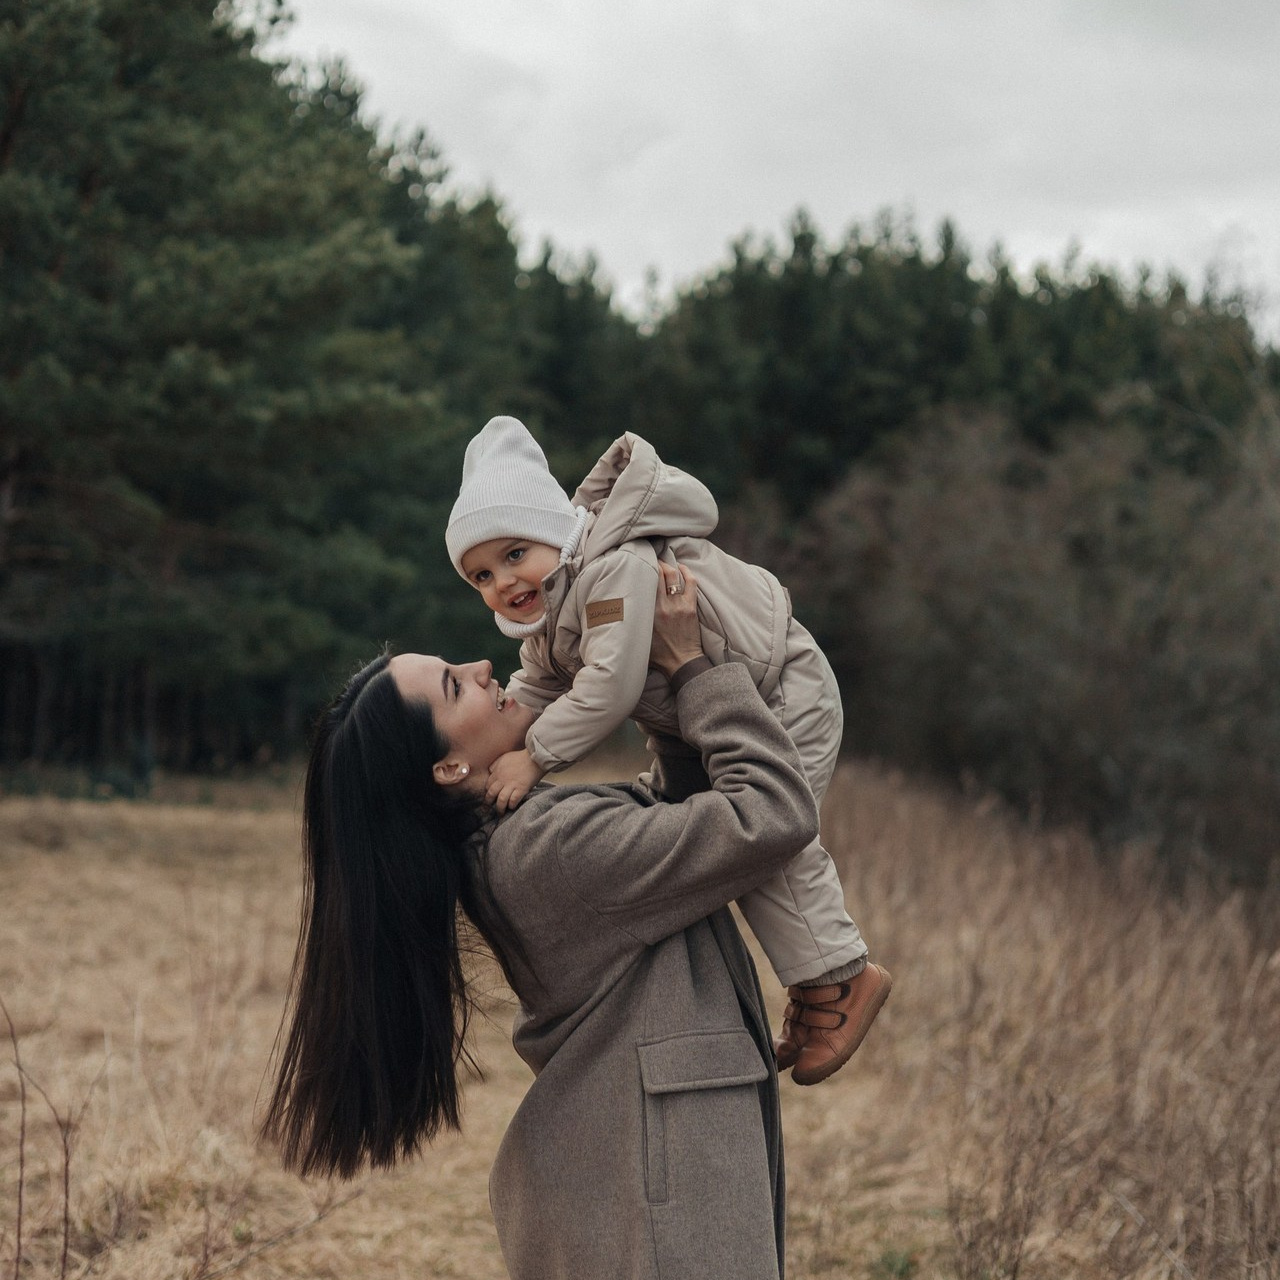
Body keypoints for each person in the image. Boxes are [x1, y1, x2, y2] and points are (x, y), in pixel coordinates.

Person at [261, 564, 824, 1278]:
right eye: (454, 685)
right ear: (445, 769)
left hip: (656, 1173)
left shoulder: (517, 835)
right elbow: (773, 813)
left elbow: (679, 824)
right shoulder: (546, 851)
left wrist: (647, 678)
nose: (482, 665)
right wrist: (690, 668)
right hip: (662, 1189)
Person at [445, 416, 891, 1083]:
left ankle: (838, 978)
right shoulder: (549, 613)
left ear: (556, 530)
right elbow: (534, 688)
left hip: (776, 688)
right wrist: (479, 763)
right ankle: (815, 981)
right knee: (712, 831)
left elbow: (611, 686)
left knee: (767, 835)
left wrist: (534, 756)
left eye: (515, 554)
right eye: (480, 575)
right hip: (704, 713)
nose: (502, 582)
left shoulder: (610, 571)